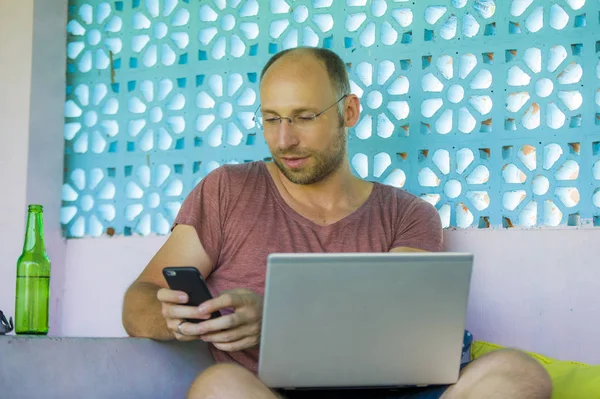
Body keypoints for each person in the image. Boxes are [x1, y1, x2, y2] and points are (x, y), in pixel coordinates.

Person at [122, 47, 552, 399]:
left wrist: (272, 325)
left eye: (304, 117)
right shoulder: (226, 191)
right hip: (274, 394)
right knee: (217, 387)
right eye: (271, 119)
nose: (284, 139)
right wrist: (183, 320)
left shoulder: (408, 214)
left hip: (391, 393)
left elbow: (393, 324)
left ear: (348, 111)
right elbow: (138, 301)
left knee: (518, 374)